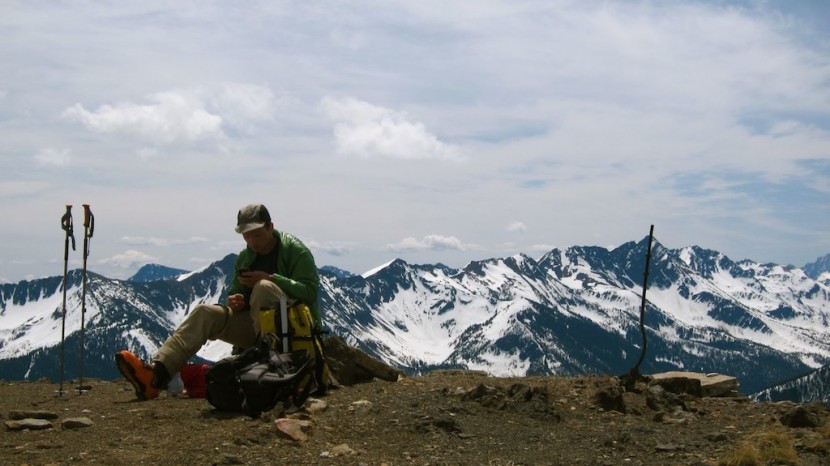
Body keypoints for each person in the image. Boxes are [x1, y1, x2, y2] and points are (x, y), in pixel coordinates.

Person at [115, 203, 321, 400]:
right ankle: (156, 374)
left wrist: (271, 279)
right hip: (255, 331)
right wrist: (234, 301)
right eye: (247, 236)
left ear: (270, 227)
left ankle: (272, 366)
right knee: (206, 312)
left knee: (263, 288)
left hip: (291, 334)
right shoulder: (246, 257)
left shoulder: (296, 252)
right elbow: (236, 290)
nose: (253, 242)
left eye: (257, 235)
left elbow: (309, 292)